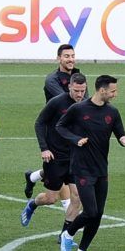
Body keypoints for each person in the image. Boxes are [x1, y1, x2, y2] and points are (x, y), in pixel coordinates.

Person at [55, 75, 125, 251]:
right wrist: (75, 139)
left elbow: (120, 131)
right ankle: (68, 234)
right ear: (102, 90)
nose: (115, 94)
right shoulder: (79, 109)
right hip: (82, 168)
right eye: (113, 90)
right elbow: (60, 127)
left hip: (101, 169)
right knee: (90, 211)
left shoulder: (112, 112)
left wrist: (124, 139)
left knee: (98, 213)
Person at [21, 73, 86, 235]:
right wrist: (44, 148)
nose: (79, 94)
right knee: (51, 199)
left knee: (77, 196)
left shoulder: (86, 104)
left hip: (75, 158)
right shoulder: (57, 102)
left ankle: (65, 234)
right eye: (76, 90)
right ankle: (32, 204)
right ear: (70, 86)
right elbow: (39, 123)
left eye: (82, 91)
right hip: (55, 157)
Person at [25, 43, 83, 203]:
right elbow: (71, 101)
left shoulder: (78, 77)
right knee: (54, 190)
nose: (70, 59)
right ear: (59, 58)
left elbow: (83, 100)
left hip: (72, 134)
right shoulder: (52, 80)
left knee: (65, 177)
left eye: (72, 56)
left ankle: (32, 177)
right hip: (56, 134)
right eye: (66, 56)